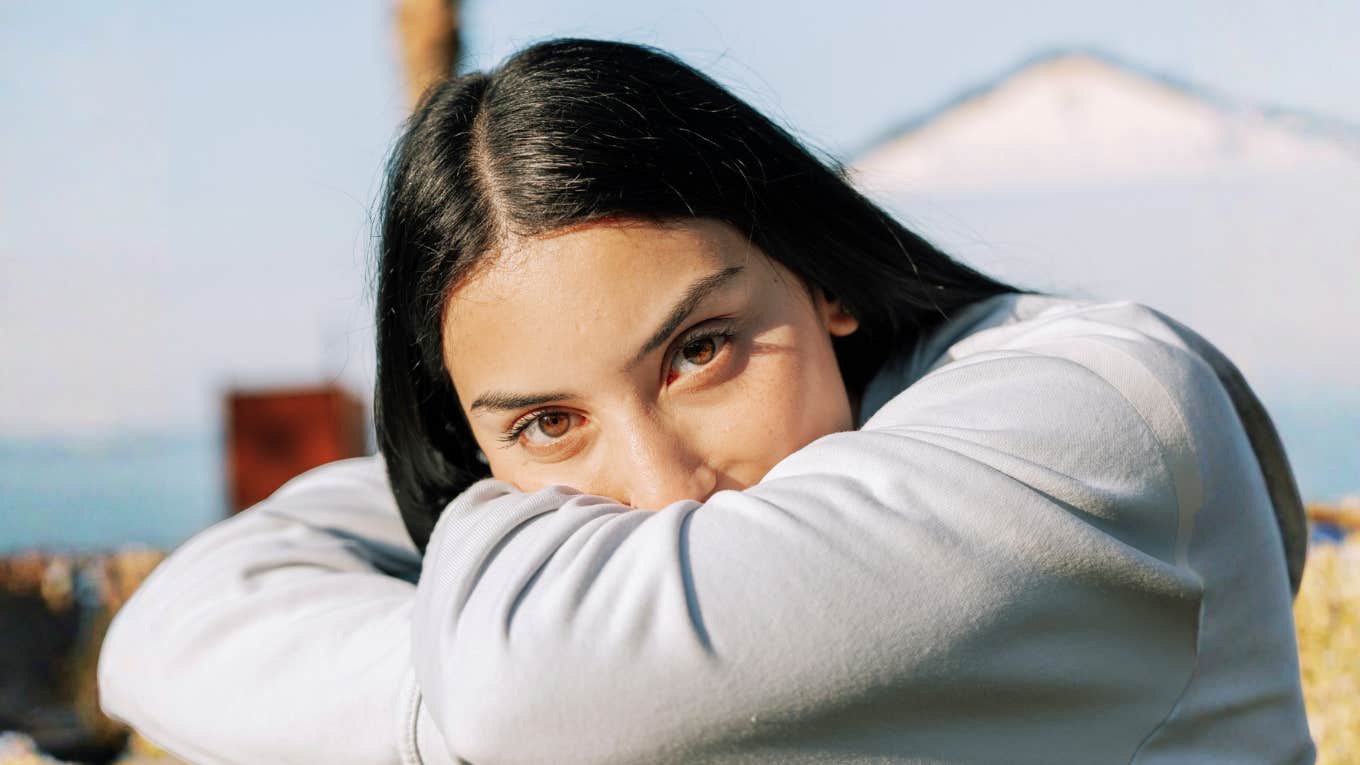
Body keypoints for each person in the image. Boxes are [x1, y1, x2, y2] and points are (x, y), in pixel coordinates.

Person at [97, 38, 1314, 764]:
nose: (660, 486)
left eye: (700, 351)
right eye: (544, 421)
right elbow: (172, 626)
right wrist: (489, 665)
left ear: (822, 275)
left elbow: (530, 685)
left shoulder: (1089, 409)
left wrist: (495, 668)